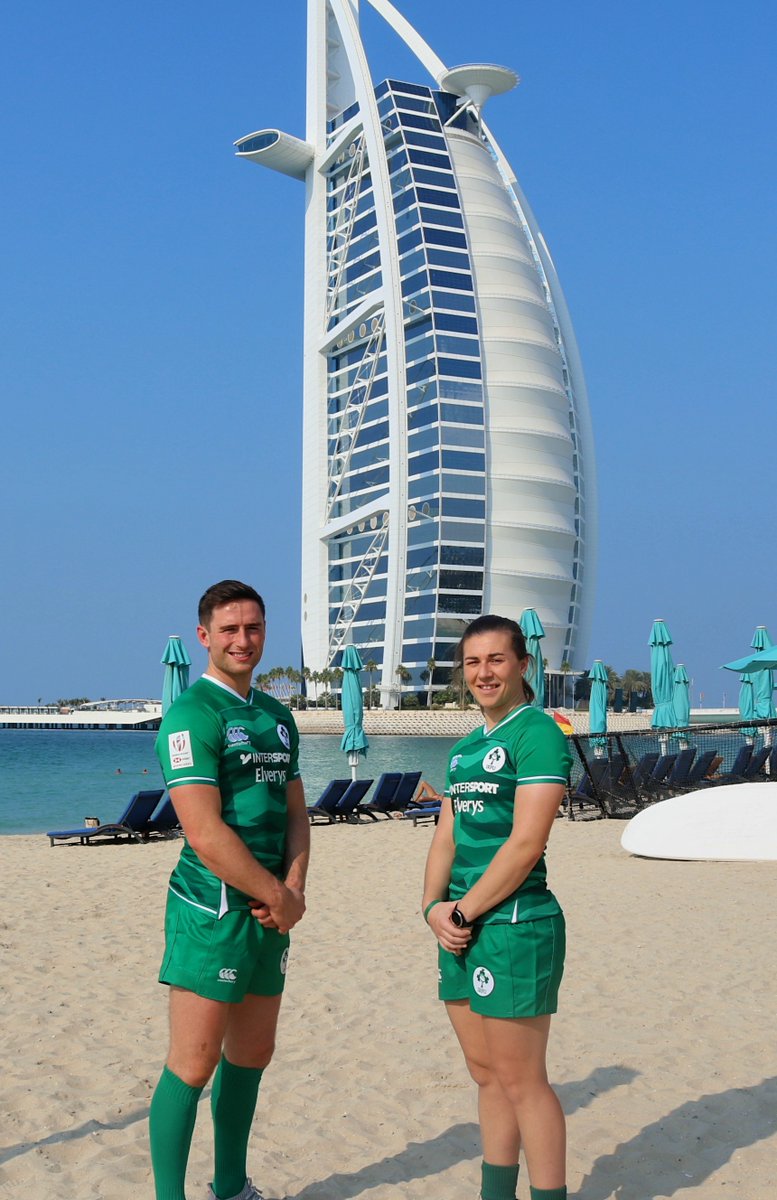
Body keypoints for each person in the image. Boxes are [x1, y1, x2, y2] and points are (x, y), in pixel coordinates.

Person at [149, 580, 310, 1200]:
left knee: (252, 1056)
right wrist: (277, 893)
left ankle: (231, 1187)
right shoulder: (192, 714)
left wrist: (292, 887)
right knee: (193, 1065)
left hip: (272, 912)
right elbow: (205, 831)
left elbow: (297, 813)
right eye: (230, 630)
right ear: (205, 637)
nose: (243, 640)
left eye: (254, 628)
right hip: (211, 912)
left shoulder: (278, 716)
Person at [422, 614, 572, 1200]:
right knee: (485, 1075)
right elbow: (445, 836)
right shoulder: (464, 750)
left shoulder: (536, 732)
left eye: (496, 660)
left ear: (522, 665)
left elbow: (527, 842)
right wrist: (433, 905)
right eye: (473, 662)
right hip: (460, 929)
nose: (483, 673)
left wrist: (462, 912)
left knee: (523, 1080)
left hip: (515, 926)